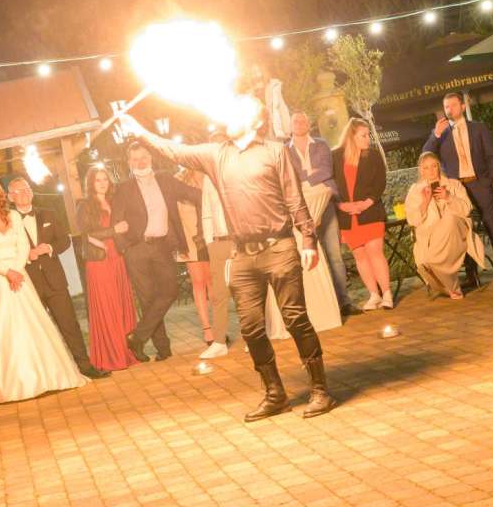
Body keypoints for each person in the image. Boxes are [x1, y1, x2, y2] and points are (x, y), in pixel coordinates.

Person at [120, 96, 338, 422]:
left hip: (279, 248)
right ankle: (275, 394)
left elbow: (294, 198)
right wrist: (139, 130)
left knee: (295, 319)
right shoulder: (216, 154)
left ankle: (320, 390)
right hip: (242, 256)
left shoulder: (274, 151)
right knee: (251, 328)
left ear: (255, 120)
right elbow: (174, 151)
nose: (228, 114)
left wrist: (308, 238)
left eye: (237, 111)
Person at [0, 177, 87, 402]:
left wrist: (16, 270)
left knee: (35, 325)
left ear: (0, 193)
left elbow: (23, 245)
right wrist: (7, 272)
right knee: (5, 329)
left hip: (20, 276)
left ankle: (47, 376)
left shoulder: (13, 216)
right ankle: (10, 384)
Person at [7, 177, 108, 379]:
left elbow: (64, 241)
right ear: (10, 197)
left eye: (26, 189)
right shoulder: (7, 221)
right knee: (38, 330)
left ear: (32, 192)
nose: (24, 194)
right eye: (18, 191)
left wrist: (50, 247)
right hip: (28, 283)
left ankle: (85, 366)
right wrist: (26, 256)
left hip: (55, 281)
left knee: (69, 325)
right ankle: (49, 375)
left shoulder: (49, 213)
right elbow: (6, 250)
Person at [111, 141, 201, 362]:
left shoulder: (165, 179)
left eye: (144, 157)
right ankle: (163, 349)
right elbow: (116, 221)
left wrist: (220, 188)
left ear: (150, 157)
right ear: (129, 163)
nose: (141, 162)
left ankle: (137, 337)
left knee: (170, 291)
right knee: (148, 299)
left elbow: (193, 194)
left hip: (161, 246)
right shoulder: (124, 188)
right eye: (135, 159)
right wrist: (125, 248)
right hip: (136, 249)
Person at [422, 92, 493, 284]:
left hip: (480, 183)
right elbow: (426, 155)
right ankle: (472, 275)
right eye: (446, 107)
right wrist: (436, 134)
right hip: (456, 188)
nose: (449, 110)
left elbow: (492, 154)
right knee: (462, 229)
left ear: (463, 107)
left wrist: (490, 179)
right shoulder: (441, 134)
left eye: (453, 105)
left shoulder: (478, 128)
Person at [287, 112, 356, 315]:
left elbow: (327, 170)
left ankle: (344, 302)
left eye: (303, 120)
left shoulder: (321, 144)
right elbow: (289, 177)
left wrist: (305, 177)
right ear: (290, 125)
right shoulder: (284, 150)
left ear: (309, 123)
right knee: (310, 255)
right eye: (295, 121)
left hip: (325, 204)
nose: (300, 123)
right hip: (302, 210)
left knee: (334, 255)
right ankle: (325, 305)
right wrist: (311, 174)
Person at [77, 167, 140, 371]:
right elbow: (86, 233)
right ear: (91, 183)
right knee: (107, 307)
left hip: (117, 258)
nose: (102, 183)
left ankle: (124, 350)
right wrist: (114, 230)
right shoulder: (85, 205)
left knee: (121, 305)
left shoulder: (114, 202)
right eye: (98, 180)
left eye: (105, 179)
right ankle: (113, 356)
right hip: (100, 261)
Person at [404, 152, 485, 299]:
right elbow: (413, 220)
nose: (431, 171)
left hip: (456, 231)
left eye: (434, 166)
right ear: (421, 171)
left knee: (449, 219)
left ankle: (444, 279)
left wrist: (449, 197)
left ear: (439, 167)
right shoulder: (415, 190)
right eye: (426, 168)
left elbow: (466, 209)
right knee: (428, 254)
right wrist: (425, 202)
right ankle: (451, 286)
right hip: (431, 235)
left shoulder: (453, 184)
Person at [333, 118, 393, 310]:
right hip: (347, 216)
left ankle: (387, 294)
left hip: (371, 211)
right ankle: (374, 295)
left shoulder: (373, 155)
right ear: (351, 136)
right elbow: (330, 185)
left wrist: (365, 204)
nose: (368, 139)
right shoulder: (335, 156)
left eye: (368, 135)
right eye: (364, 135)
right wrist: (341, 206)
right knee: (360, 255)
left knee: (375, 251)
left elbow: (380, 182)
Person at [199, 131, 233, 359]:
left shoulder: (238, 170)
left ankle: (254, 337)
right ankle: (219, 341)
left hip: (240, 240)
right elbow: (206, 211)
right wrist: (210, 241)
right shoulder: (208, 176)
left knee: (245, 292)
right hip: (218, 242)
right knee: (218, 294)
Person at [173, 167, 215, 346]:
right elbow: (175, 214)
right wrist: (182, 243)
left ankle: (219, 326)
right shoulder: (179, 179)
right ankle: (207, 329)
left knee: (213, 281)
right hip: (191, 238)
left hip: (212, 235)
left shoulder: (210, 174)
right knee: (199, 282)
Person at [245, 63, 293, 140]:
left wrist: (286, 128)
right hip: (259, 132)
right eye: (253, 72)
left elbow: (280, 107)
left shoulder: (275, 85)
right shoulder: (249, 94)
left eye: (258, 70)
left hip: (277, 129)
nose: (256, 74)